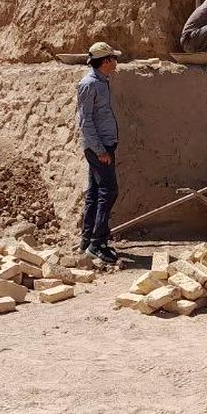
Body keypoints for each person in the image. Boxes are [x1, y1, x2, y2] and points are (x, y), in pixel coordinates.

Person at [76, 41, 122, 263]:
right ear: (105, 61)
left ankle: (87, 240)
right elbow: (85, 122)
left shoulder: (102, 81)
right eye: (114, 58)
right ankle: (97, 244)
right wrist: (100, 150)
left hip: (103, 145)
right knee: (109, 191)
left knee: (95, 192)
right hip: (99, 148)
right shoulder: (90, 84)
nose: (116, 62)